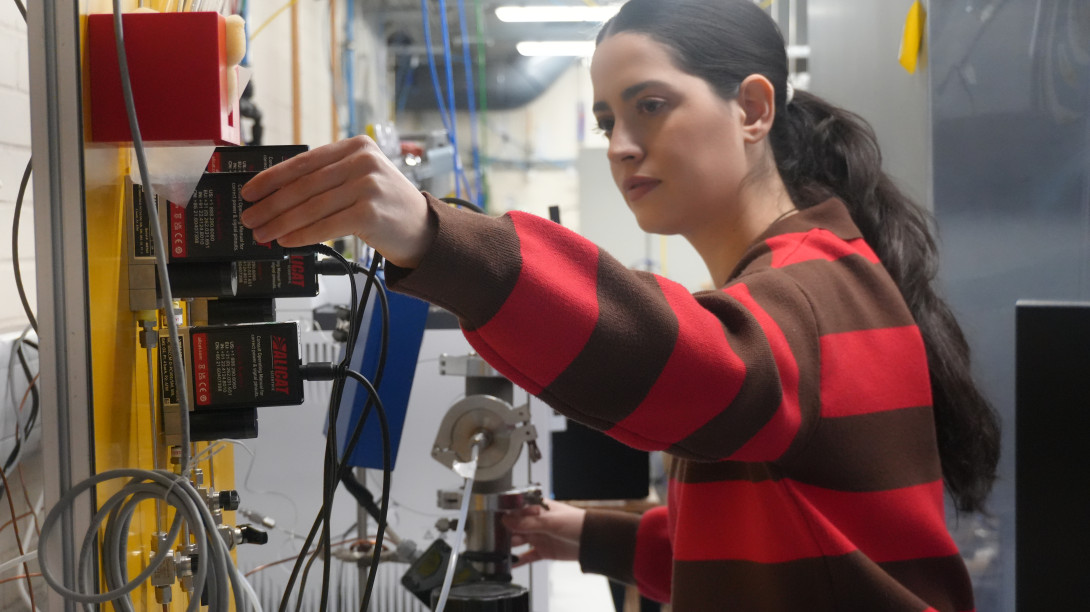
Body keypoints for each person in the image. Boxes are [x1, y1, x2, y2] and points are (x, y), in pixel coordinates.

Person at [239, 0, 1000, 609]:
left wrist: (439, 239)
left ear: (753, 110)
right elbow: (758, 551)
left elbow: (700, 370)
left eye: (653, 106)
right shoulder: (816, 274)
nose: (621, 145)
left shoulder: (815, 287)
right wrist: (581, 536)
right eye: (608, 121)